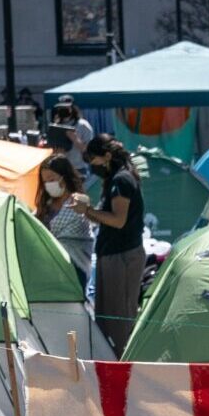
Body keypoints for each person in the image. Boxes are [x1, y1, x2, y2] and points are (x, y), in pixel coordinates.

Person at [79, 135, 145, 348]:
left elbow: (118, 220)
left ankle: (125, 366)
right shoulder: (113, 180)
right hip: (111, 255)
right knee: (105, 318)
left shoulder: (122, 180)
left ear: (107, 156)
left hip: (123, 256)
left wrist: (88, 211)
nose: (92, 165)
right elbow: (105, 218)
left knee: (120, 319)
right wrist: (87, 211)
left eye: (94, 159)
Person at [37, 154, 95, 283]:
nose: (48, 184)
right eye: (45, 182)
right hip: (47, 272)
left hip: (74, 271)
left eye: (51, 179)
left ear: (64, 177)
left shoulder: (79, 204)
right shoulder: (45, 206)